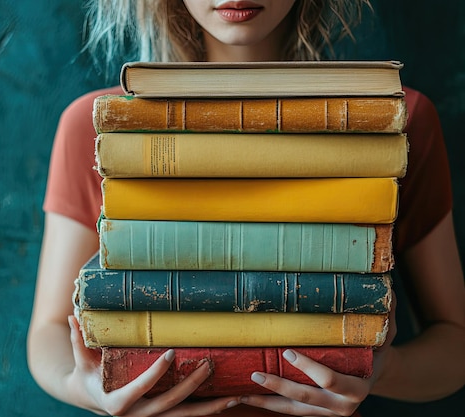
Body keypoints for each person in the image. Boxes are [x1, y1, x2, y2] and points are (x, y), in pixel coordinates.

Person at [27, 1, 465, 416]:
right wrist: (85, 388)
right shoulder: (105, 128)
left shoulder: (394, 122)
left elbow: (454, 342)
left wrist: (383, 370)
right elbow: (48, 331)